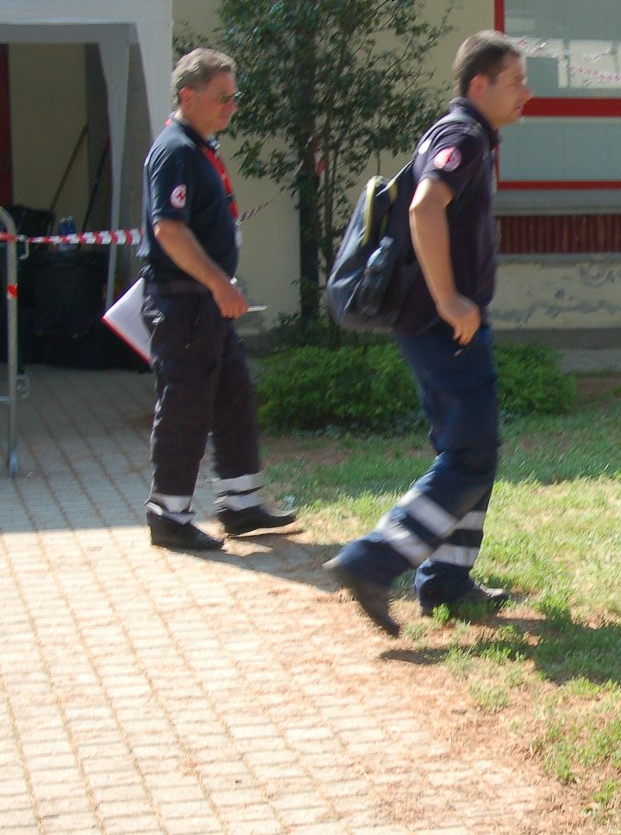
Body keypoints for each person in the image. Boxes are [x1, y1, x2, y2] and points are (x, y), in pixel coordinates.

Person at [324, 31, 531, 634]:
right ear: (479, 85)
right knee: (470, 457)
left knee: (469, 453)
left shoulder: (464, 134)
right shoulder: (463, 136)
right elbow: (423, 208)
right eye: (515, 81)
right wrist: (449, 300)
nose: (527, 92)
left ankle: (447, 583)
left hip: (441, 325)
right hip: (446, 326)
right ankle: (371, 561)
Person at [139, 48, 296, 551]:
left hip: (206, 304)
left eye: (234, 96)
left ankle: (241, 502)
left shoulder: (199, 145)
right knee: (185, 403)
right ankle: (169, 515)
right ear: (188, 95)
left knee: (233, 397)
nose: (231, 106)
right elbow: (168, 229)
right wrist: (218, 282)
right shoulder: (176, 150)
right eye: (221, 97)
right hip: (185, 302)